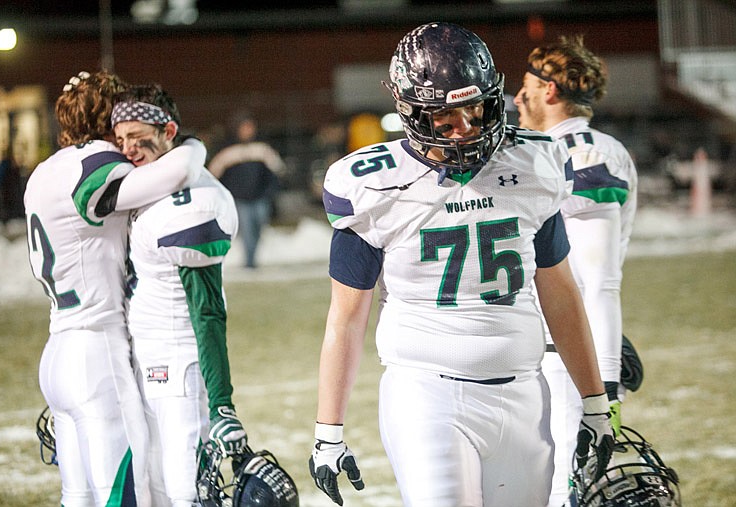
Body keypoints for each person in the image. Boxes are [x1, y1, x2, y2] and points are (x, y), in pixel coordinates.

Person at [308, 22, 614, 507]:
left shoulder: (536, 164)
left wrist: (595, 405)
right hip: (426, 394)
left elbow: (560, 293)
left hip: (524, 392)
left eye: (476, 110)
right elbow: (345, 320)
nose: (466, 129)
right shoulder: (372, 186)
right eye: (445, 118)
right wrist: (328, 430)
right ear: (411, 112)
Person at [24, 71, 207, 506]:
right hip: (97, 355)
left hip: (59, 352)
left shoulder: (44, 170)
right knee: (123, 495)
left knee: (79, 498)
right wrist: (192, 142)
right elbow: (177, 171)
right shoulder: (97, 161)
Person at [513, 35, 638, 507]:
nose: (518, 97)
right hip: (540, 347)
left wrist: (602, 381)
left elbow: (597, 280)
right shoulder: (544, 148)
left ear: (549, 91)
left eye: (525, 85)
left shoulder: (584, 153)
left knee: (568, 488)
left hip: (566, 354)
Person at [111, 84, 247, 507]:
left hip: (178, 361)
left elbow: (208, 314)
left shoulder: (195, 203)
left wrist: (223, 403)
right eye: (121, 140)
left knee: (186, 483)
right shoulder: (150, 180)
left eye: (138, 137)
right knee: (153, 478)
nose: (128, 149)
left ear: (168, 129)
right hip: (147, 353)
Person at [208, 114, 286, 268]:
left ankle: (252, 258)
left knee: (258, 228)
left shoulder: (262, 148)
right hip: (240, 199)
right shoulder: (227, 149)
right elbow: (214, 174)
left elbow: (277, 170)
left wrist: (269, 192)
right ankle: (250, 262)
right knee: (247, 232)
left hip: (260, 197)